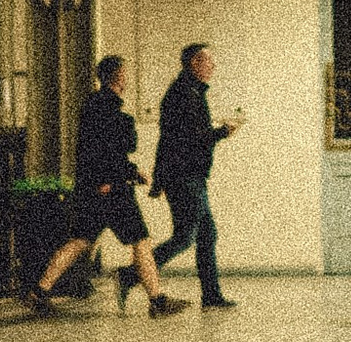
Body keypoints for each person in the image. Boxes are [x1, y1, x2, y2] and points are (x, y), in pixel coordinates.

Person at [22, 57, 184, 316]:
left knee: (79, 241)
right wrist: (118, 177)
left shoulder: (93, 106)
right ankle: (157, 300)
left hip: (94, 187)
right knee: (140, 241)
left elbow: (98, 151)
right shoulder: (110, 110)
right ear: (118, 76)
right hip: (112, 190)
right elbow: (111, 151)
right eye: (125, 74)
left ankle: (39, 292)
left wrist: (130, 172)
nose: (126, 78)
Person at [153, 40, 243, 311]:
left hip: (188, 175)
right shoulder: (185, 94)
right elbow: (191, 139)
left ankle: (212, 295)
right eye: (208, 61)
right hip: (185, 176)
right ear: (195, 63)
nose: (213, 66)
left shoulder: (188, 91)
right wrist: (222, 132)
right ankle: (131, 274)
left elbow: (174, 137)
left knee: (206, 235)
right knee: (185, 237)